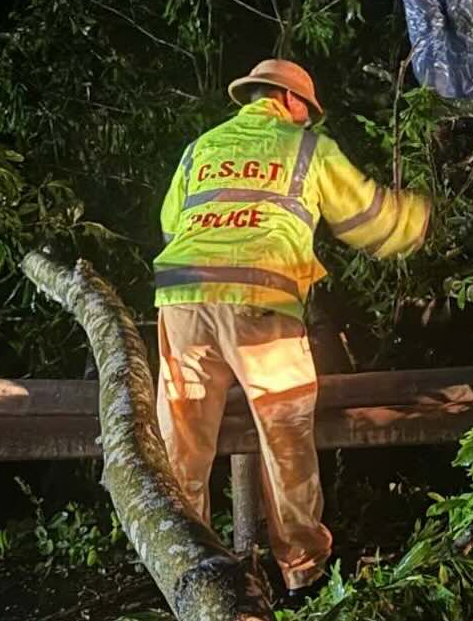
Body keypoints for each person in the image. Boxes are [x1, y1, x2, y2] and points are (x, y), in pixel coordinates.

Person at [152, 59, 430, 593]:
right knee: (286, 437)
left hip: (182, 302)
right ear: (292, 102)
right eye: (309, 110)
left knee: (181, 443)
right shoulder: (307, 148)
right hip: (261, 305)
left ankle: (184, 566)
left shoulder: (200, 148)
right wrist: (421, 219)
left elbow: (171, 223)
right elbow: (368, 220)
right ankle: (303, 572)